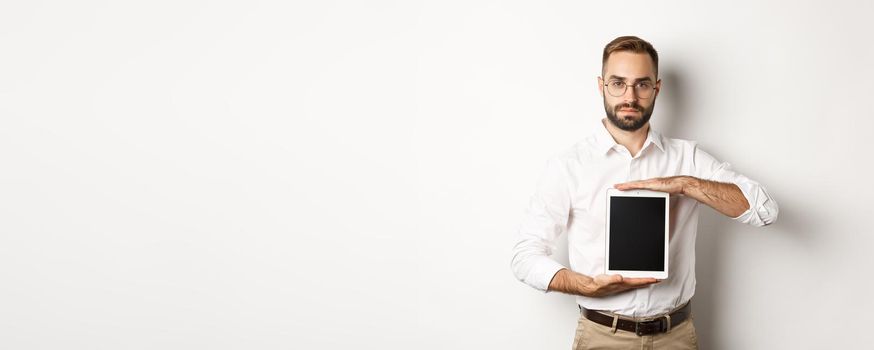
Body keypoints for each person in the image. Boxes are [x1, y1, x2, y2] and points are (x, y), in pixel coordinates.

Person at [509, 36, 779, 349]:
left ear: (657, 88)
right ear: (601, 86)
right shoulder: (569, 166)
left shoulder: (688, 159)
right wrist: (586, 285)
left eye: (642, 84)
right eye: (617, 83)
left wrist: (685, 184)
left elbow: (765, 211)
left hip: (675, 337)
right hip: (601, 336)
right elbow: (524, 255)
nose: (630, 96)